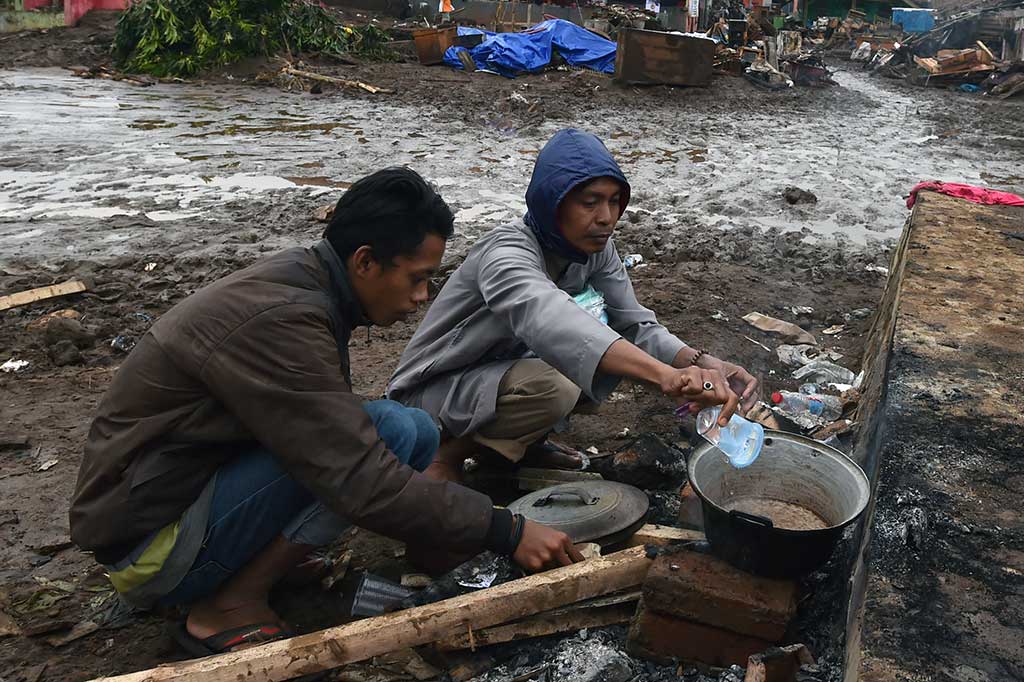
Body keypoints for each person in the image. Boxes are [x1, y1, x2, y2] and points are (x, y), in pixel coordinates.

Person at [69, 168, 582, 656]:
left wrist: (449, 528)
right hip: (151, 550)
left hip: (173, 500)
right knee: (388, 432)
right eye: (418, 278)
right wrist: (505, 530)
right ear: (364, 261)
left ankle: (277, 560)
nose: (422, 297)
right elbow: (358, 476)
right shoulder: (284, 318)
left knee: (411, 428)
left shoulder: (306, 282)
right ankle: (224, 606)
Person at [388, 129, 759, 484]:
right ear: (553, 202)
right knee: (561, 379)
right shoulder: (505, 254)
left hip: (495, 378)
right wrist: (664, 376)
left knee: (591, 361)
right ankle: (446, 455)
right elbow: (550, 319)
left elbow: (633, 325)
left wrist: (697, 362)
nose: (606, 217)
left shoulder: (592, 250)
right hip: (433, 392)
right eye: (590, 202)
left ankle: (518, 446)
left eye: (615, 201)